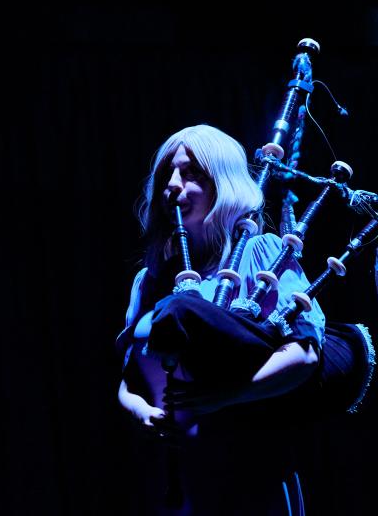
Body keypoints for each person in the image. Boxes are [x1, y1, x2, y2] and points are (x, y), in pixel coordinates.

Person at [115, 124, 327, 515]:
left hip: (250, 469)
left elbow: (306, 356)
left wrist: (227, 396)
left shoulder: (262, 254)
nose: (173, 186)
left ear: (223, 183)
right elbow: (129, 379)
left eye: (192, 173)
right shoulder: (150, 278)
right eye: (167, 175)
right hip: (173, 477)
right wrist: (143, 413)